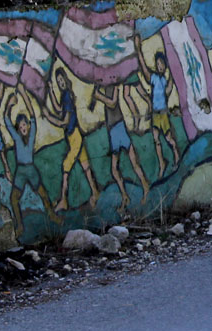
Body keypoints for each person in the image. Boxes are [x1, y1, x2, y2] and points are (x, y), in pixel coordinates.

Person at [44, 68, 102, 212]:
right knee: (86, 166)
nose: (61, 83)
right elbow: (58, 108)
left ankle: (64, 200)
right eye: (58, 82)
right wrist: (51, 91)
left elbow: (64, 121)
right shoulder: (64, 96)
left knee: (66, 166)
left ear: (66, 79)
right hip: (73, 137)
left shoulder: (68, 97)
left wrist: (50, 118)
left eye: (62, 80)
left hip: (75, 136)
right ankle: (95, 192)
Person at [4, 92, 60, 237]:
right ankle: (19, 225)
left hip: (30, 168)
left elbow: (33, 116)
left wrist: (27, 97)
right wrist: (9, 105)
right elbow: (6, 120)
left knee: (42, 192)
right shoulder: (16, 138)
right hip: (21, 171)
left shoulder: (31, 135)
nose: (23, 127)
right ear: (18, 128)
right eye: (20, 125)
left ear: (28, 126)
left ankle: (52, 214)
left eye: (25, 124)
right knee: (14, 198)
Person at [92, 78, 150, 212]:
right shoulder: (103, 86)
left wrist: (99, 96)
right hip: (112, 130)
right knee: (114, 169)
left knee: (133, 161)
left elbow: (112, 103)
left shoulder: (114, 86)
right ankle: (124, 195)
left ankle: (145, 186)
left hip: (119, 127)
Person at [144, 52, 180, 177]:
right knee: (156, 139)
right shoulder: (154, 78)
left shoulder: (164, 80)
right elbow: (145, 71)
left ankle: (176, 155)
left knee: (169, 138)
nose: (159, 66)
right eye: (157, 64)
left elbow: (168, 90)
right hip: (155, 114)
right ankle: (161, 164)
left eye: (161, 64)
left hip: (163, 114)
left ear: (165, 66)